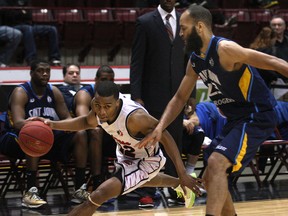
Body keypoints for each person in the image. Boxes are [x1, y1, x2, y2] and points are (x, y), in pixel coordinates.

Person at [138, 5, 288, 215]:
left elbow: (276, 62)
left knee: (218, 163)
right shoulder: (195, 60)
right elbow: (180, 98)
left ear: (199, 27)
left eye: (183, 28)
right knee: (209, 177)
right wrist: (159, 127)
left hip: (256, 115)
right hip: (235, 119)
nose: (180, 33)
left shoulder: (225, 49)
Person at [36, 81, 202, 216]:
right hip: (125, 151)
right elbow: (86, 122)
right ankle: (180, 185)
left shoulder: (135, 118)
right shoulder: (98, 105)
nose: (101, 111)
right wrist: (52, 125)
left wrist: (182, 172)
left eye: (107, 106)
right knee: (140, 181)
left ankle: (182, 181)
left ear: (117, 102)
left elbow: (164, 135)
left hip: (147, 160)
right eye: (98, 105)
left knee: (98, 195)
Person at [0, 59, 87, 208]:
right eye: (40, 71)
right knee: (34, 134)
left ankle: (79, 189)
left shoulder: (54, 91)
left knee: (80, 134)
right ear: (31, 73)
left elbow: (68, 119)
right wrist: (41, 126)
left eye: (47, 71)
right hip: (13, 138)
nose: (45, 74)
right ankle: (30, 192)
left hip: (46, 137)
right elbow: (19, 122)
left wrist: (52, 126)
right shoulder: (21, 92)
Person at [130, 0, 189, 205]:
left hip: (178, 95)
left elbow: (188, 61)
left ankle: (177, 189)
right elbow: (137, 63)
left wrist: (189, 97)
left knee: (176, 142)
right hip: (151, 95)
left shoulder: (184, 19)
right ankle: (144, 192)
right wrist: (137, 97)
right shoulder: (145, 22)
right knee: (148, 145)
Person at [72, 65, 116, 201]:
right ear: (96, 80)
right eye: (103, 80)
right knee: (95, 131)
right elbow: (85, 122)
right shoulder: (84, 94)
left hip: (107, 136)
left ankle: (136, 186)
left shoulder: (115, 95)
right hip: (82, 139)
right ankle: (96, 184)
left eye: (110, 80)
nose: (106, 83)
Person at [0, 0, 61, 66]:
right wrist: (22, 12)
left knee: (52, 29)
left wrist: (20, 12)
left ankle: (54, 58)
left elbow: (29, 15)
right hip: (12, 26)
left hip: (29, 25)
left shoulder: (25, 1)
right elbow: (9, 16)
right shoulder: (5, 1)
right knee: (27, 29)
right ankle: (31, 59)